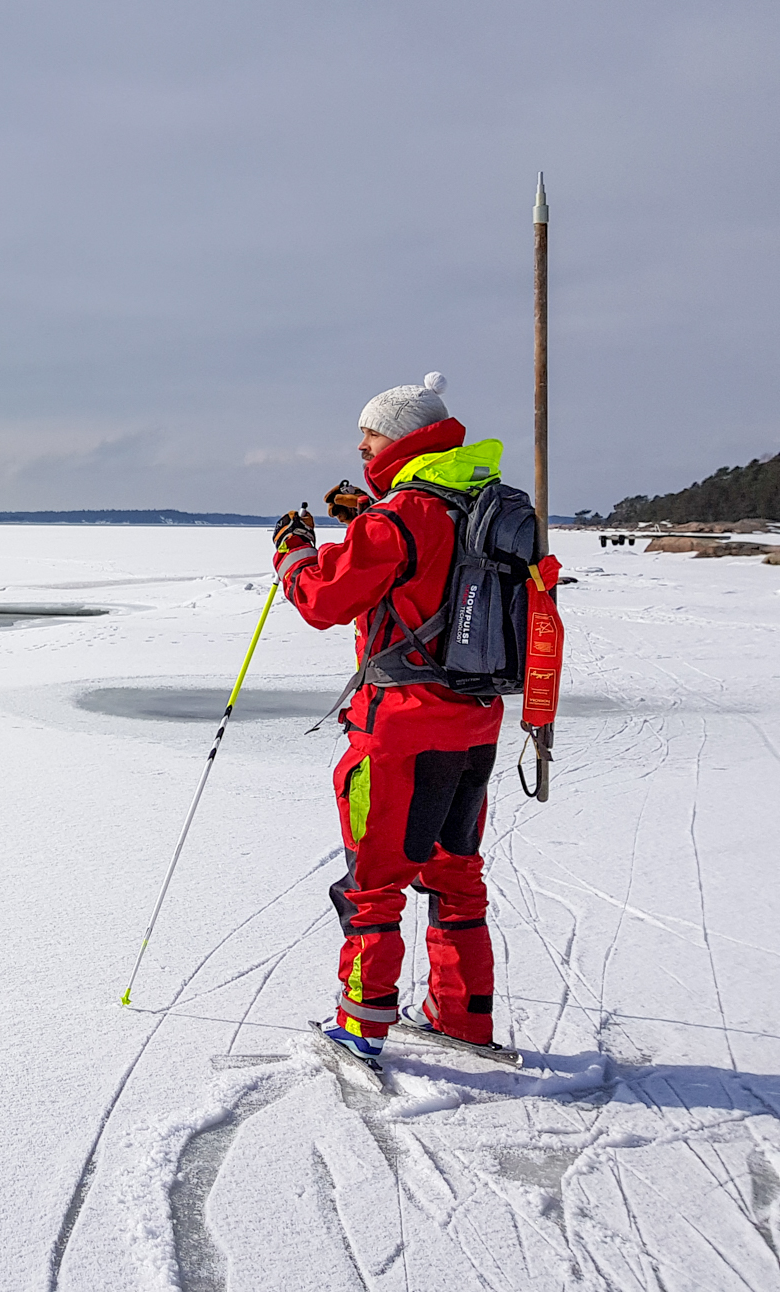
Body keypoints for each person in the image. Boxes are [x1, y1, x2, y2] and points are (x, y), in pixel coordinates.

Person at [269, 373, 504, 1063]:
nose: (360, 444)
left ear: (398, 437)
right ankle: (462, 1019)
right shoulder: (481, 501)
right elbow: (425, 566)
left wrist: (293, 555)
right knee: (454, 872)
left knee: (373, 883)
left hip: (399, 728)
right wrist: (368, 516)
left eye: (369, 434)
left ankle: (362, 1024)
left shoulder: (400, 515)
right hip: (475, 721)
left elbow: (324, 600)